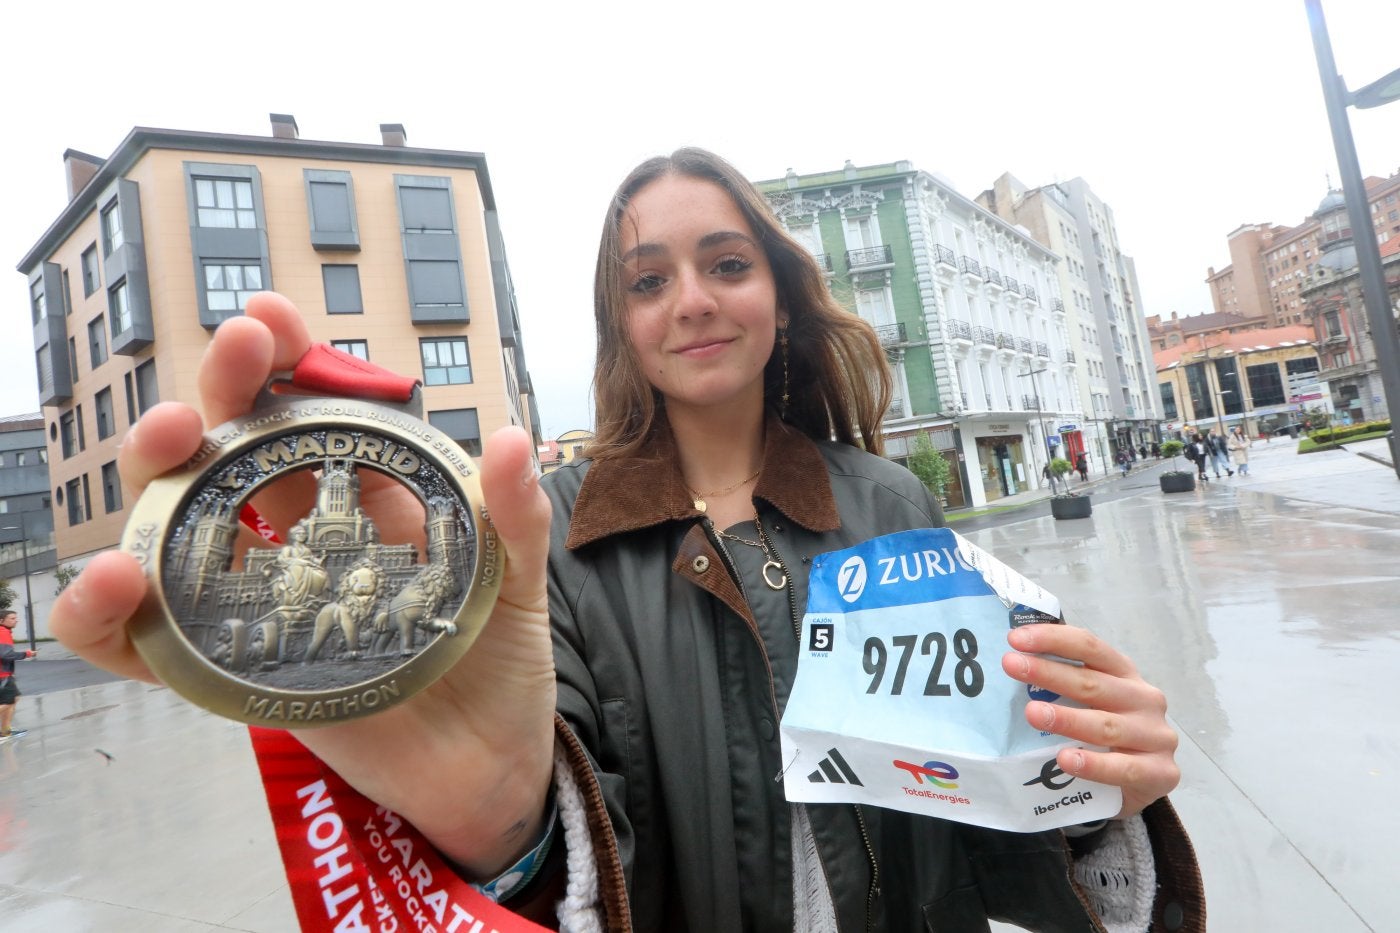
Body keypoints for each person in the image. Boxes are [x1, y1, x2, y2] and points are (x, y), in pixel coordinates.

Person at [47, 148, 1201, 931]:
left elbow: (991, 825)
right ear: (622, 325)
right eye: (649, 279)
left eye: (726, 263)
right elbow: (565, 855)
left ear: (781, 297)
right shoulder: (554, 544)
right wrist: (501, 826)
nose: (691, 299)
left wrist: (1096, 787)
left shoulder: (891, 504)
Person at [0, 609, 36, 740]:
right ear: (1, 621)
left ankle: (5, 731)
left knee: (12, 699)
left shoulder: (4, 631)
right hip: (2, 674)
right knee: (10, 701)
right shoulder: (3, 632)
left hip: (5, 673)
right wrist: (26, 654)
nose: (16, 620)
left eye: (16, 618)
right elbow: (5, 654)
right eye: (12, 618)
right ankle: (4, 731)